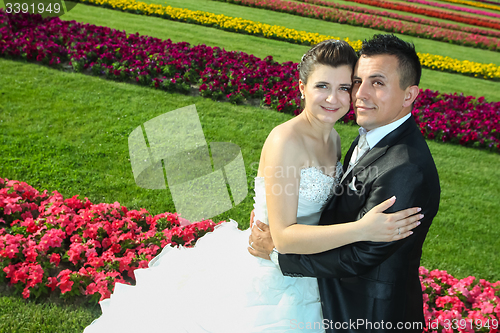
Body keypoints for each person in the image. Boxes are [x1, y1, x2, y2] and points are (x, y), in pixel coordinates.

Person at [83, 39, 422, 333]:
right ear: (302, 87)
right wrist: (362, 229)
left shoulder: (335, 140)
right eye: (322, 86)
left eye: (344, 87)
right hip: (266, 275)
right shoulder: (285, 140)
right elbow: (285, 235)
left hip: (310, 272)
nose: (333, 98)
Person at [250, 34, 441, 333]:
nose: (358, 95)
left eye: (377, 83)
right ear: (302, 86)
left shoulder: (406, 168)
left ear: (409, 95)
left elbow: (362, 255)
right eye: (357, 81)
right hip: (282, 289)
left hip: (368, 314)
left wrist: (277, 253)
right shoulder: (352, 137)